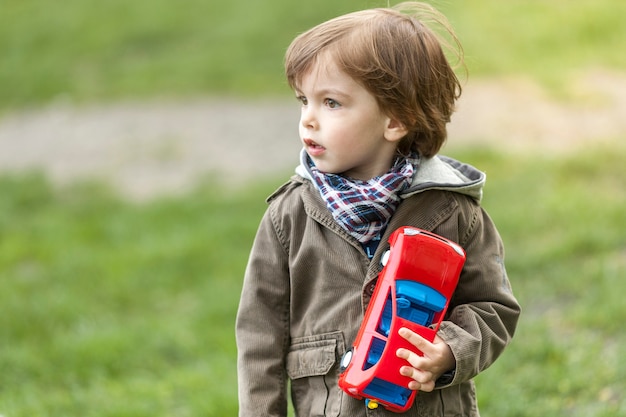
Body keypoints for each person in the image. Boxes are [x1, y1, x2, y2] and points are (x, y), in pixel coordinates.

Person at [235, 2, 521, 416]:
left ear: (395, 120)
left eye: (331, 102)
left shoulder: (452, 211)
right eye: (304, 100)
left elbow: (493, 307)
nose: (308, 120)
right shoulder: (289, 216)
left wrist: (450, 350)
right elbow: (259, 336)